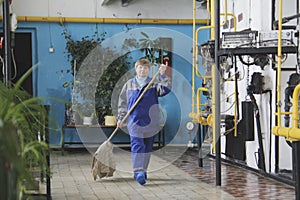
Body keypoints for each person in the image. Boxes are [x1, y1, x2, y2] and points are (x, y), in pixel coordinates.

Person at [117, 58, 171, 185]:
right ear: (136, 69)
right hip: (134, 121)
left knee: (147, 147)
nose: (142, 70)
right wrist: (120, 118)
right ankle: (138, 171)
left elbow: (166, 89)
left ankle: (143, 169)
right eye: (140, 67)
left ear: (149, 70)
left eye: (145, 68)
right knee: (137, 145)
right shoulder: (129, 85)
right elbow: (122, 102)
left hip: (151, 121)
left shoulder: (153, 83)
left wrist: (163, 74)